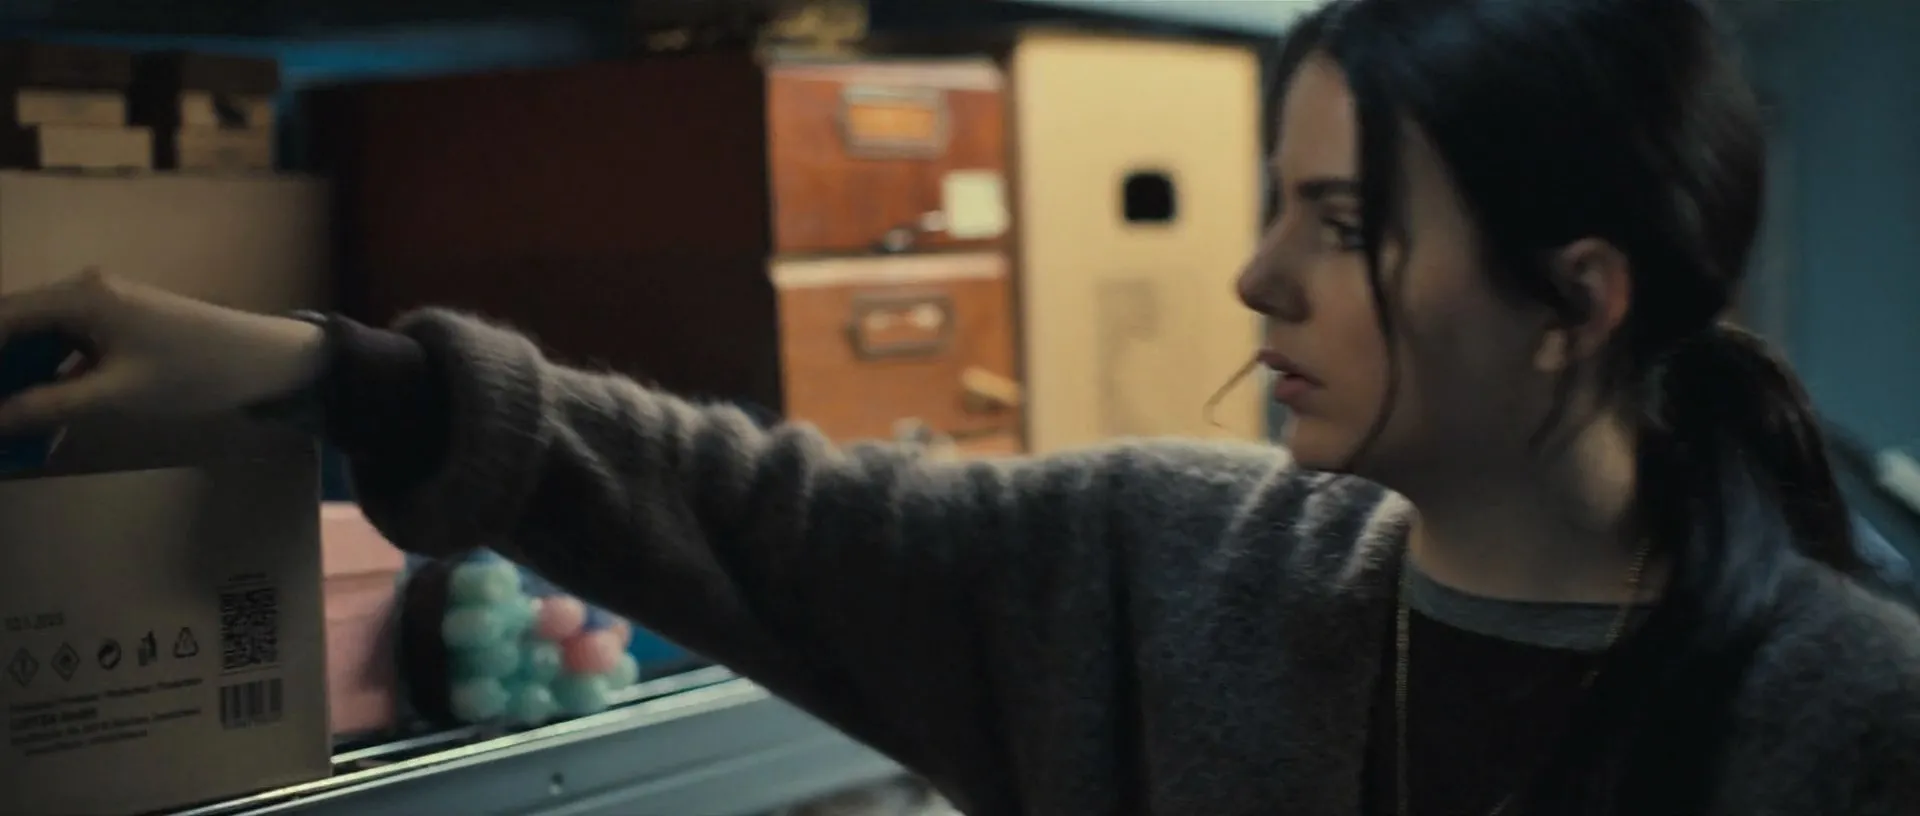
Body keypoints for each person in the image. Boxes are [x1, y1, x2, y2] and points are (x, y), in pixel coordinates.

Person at [0, 0, 1916, 813]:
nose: (1257, 279)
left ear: (1576, 301)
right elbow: (753, 504)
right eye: (1275, 205)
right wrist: (309, 372)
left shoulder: (1848, 725)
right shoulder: (1170, 568)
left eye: (1342, 227)